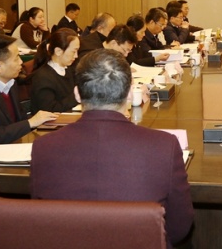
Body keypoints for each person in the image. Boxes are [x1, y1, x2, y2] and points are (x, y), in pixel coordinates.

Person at [31, 49, 194, 246]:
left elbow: (41, 223)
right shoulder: (164, 146)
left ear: (77, 94)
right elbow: (180, 227)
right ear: (129, 93)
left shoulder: (43, 147)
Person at [30, 28, 80, 114]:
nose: (76, 56)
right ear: (58, 51)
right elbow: (49, 110)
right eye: (73, 51)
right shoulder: (43, 78)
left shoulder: (69, 69)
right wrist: (76, 98)